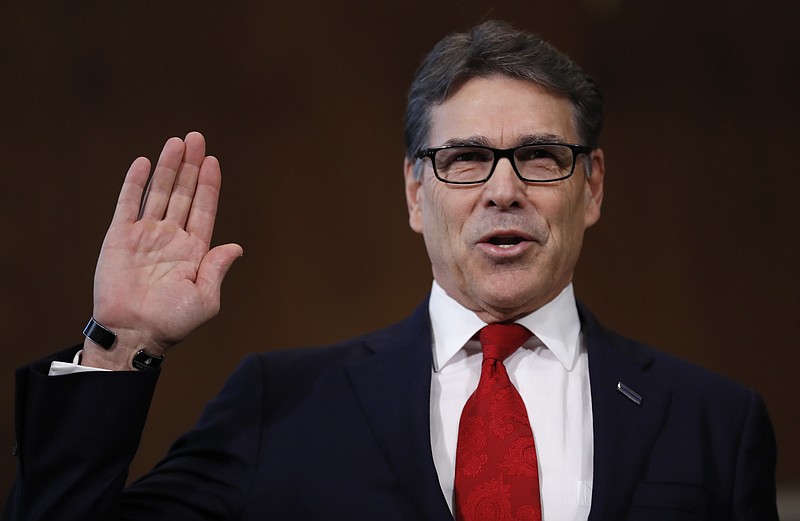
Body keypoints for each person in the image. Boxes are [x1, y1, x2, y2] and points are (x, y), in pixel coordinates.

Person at [4, 20, 778, 521]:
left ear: (593, 185)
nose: (503, 189)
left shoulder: (716, 421)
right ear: (416, 191)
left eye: (540, 157)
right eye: (467, 158)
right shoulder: (281, 406)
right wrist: (121, 341)